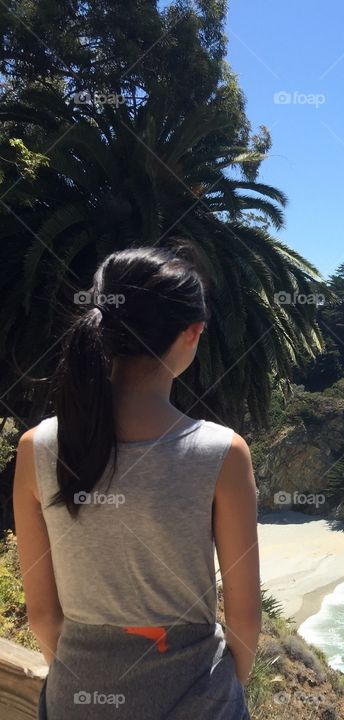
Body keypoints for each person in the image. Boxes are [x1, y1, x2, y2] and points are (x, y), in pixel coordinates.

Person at [12, 247, 261, 719]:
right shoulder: (222, 453)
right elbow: (245, 620)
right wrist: (223, 697)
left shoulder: (37, 447)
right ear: (192, 333)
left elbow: (44, 616)